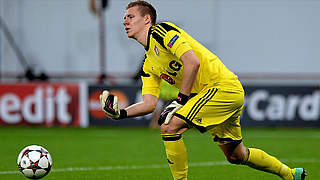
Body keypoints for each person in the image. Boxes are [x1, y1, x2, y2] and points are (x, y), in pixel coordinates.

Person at [99, 1, 306, 179]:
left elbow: (192, 62)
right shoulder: (148, 65)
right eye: (124, 17)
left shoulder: (162, 32)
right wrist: (121, 113)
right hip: (217, 95)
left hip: (221, 87)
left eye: (130, 16)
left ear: (147, 20)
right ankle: (289, 174)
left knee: (169, 125)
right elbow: (149, 104)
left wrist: (180, 100)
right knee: (236, 156)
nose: (124, 21)